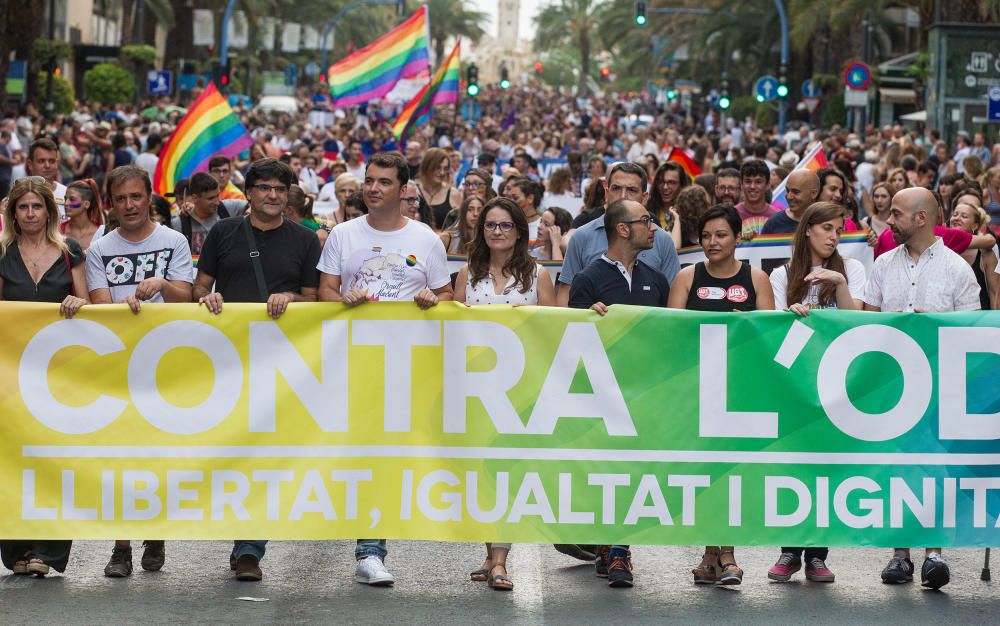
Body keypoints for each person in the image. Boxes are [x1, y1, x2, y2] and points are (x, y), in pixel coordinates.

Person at [316, 151, 452, 586]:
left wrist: (434, 300)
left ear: (404, 189)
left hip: (407, 367)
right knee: (357, 454)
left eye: (383, 182)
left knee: (387, 457)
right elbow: (324, 293)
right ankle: (367, 549)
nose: (373, 189)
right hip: (351, 363)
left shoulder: (425, 238)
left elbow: (446, 295)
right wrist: (342, 301)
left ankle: (371, 550)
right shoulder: (342, 233)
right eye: (369, 181)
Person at [194, 158, 322, 582]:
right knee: (229, 453)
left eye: (280, 190)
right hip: (228, 362)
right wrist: (207, 300)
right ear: (247, 193)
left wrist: (291, 299)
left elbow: (315, 299)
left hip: (281, 368)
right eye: (264, 188)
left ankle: (249, 548)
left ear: (289, 196)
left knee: (263, 456)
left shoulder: (305, 241)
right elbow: (201, 285)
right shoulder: (223, 233)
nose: (272, 195)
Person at [864, 187, 981, 589]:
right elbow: (866, 326)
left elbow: (974, 334)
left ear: (921, 218)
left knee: (936, 467)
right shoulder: (881, 265)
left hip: (942, 384)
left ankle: (934, 553)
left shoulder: (958, 270)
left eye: (896, 213)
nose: (889, 220)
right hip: (893, 388)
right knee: (897, 468)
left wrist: (938, 324)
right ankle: (900, 555)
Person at [87, 165, 194, 577]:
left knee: (158, 457)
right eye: (121, 199)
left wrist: (162, 285)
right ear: (110, 204)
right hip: (116, 368)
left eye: (136, 197)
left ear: (150, 197)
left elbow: (187, 298)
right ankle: (120, 546)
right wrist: (122, 308)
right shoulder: (100, 248)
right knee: (119, 460)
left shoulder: (175, 241)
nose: (129, 206)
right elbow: (98, 305)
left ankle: (155, 533)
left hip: (167, 368)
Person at [666, 204, 774, 586]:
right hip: (698, 391)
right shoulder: (685, 277)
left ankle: (726, 552)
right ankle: (711, 553)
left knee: (732, 471)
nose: (712, 242)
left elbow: (768, 338)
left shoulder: (757, 279)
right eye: (706, 235)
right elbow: (671, 338)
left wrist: (742, 327)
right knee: (705, 472)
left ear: (737, 238)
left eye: (721, 235)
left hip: (740, 392)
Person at [567, 199, 672, 589]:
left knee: (633, 472)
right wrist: (584, 320)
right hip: (600, 396)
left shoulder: (657, 279)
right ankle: (609, 544)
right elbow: (568, 342)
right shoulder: (588, 279)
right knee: (605, 472)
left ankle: (619, 550)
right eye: (646, 220)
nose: (654, 227)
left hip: (645, 394)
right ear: (623, 229)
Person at [453, 197, 556, 591]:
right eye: (490, 225)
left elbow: (554, 332)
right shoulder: (468, 274)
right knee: (482, 472)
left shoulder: (537, 276)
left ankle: (500, 560)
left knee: (508, 471)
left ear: (519, 231)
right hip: (476, 387)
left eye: (505, 225)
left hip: (522, 389)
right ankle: (489, 552)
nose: (497, 232)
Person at [0, 178, 88, 578]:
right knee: (14, 459)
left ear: (49, 212)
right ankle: (16, 550)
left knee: (56, 459)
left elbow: (92, 303)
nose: (31, 214)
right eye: (24, 208)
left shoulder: (71, 252)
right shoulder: (2, 253)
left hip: (62, 372)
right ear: (13, 214)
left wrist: (79, 301)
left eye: (37, 207)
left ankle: (47, 552)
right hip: (12, 373)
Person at [558, 161, 680, 307]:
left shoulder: (662, 240)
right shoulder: (581, 237)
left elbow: (672, 303)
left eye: (632, 190)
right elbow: (565, 297)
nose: (622, 196)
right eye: (616, 188)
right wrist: (586, 314)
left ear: (645, 197)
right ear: (606, 191)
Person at [770, 201, 866, 314]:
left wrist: (841, 283)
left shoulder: (852, 267)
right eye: (827, 228)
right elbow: (779, 326)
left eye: (839, 231)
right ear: (807, 229)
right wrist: (791, 314)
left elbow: (855, 321)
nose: (834, 237)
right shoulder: (781, 275)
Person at [950, 202, 998, 309]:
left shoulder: (986, 253)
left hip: (979, 321)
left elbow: (995, 293)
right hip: (947, 320)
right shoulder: (941, 248)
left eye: (964, 216)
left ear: (975, 226)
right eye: (955, 214)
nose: (957, 218)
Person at [170, 172, 227, 256]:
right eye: (211, 198)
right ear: (195, 198)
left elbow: (250, 204)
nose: (217, 202)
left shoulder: (227, 209)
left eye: (218, 196)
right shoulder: (179, 223)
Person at [761, 170, 819, 235]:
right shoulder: (774, 222)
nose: (788, 197)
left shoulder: (826, 221)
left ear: (813, 193)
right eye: (787, 191)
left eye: (795, 192)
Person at [415, 147, 461, 228]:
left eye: (445, 168)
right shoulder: (413, 191)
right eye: (438, 167)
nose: (442, 172)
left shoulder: (453, 194)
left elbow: (460, 226)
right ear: (427, 166)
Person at [735, 159, 779, 237]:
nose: (752, 186)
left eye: (758, 182)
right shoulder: (732, 215)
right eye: (748, 181)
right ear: (741, 184)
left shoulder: (778, 216)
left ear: (768, 184)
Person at [23, 138, 67, 213]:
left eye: (52, 161)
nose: (47, 165)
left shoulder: (66, 194)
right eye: (41, 161)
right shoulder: (19, 194)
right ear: (30, 165)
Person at [62, 178, 103, 253]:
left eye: (72, 199)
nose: (66, 203)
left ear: (86, 204)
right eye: (65, 199)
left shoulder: (100, 232)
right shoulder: (58, 230)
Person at [647, 161, 689, 230]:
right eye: (661, 182)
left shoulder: (688, 213)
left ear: (682, 185)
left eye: (671, 182)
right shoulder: (647, 209)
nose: (665, 187)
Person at [503, 177, 543, 243]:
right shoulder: (507, 223)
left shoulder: (543, 225)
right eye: (510, 198)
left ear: (530, 198)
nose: (511, 202)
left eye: (515, 198)